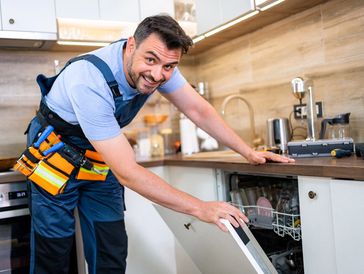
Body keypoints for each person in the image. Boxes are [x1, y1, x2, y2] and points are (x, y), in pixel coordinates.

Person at [26, 15, 294, 274]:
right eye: (150, 60)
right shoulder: (89, 79)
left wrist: (247, 151)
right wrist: (201, 208)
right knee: (54, 251)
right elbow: (127, 172)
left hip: (98, 153)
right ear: (131, 45)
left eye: (168, 66)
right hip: (54, 151)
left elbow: (198, 110)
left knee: (110, 247)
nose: (157, 74)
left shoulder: (162, 62)